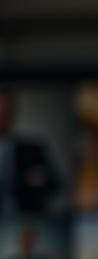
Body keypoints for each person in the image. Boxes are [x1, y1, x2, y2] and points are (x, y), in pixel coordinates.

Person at [0, 86, 62, 215]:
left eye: (6, 110)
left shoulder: (33, 149)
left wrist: (40, 180)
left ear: (13, 113)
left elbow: (55, 185)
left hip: (27, 220)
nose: (2, 116)